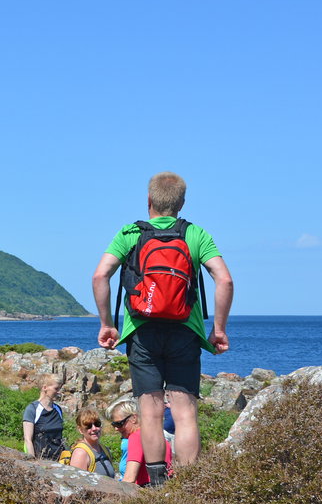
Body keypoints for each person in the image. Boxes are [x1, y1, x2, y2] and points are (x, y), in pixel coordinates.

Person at [92, 172, 234, 486]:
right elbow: (224, 280)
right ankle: (187, 484)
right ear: (182, 203)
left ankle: (158, 485)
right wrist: (219, 329)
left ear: (149, 200)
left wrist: (107, 324)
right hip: (185, 331)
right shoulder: (195, 234)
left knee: (150, 413)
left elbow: (100, 276)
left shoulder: (130, 233)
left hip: (142, 332)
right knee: (185, 413)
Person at [110, 399, 170, 487]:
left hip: (147, 489)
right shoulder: (157, 436)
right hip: (166, 486)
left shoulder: (135, 437)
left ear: (134, 418)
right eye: (114, 425)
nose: (116, 429)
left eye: (119, 424)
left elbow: (129, 478)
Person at [22, 374, 65, 460]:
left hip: (58, 461)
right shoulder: (32, 409)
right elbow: (28, 440)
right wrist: (33, 462)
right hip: (40, 460)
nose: (59, 392)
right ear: (45, 388)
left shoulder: (58, 409)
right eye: (56, 388)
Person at [68, 407, 117, 477]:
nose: (94, 428)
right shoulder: (80, 453)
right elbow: (78, 482)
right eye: (88, 426)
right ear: (80, 430)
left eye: (97, 424)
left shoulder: (105, 450)